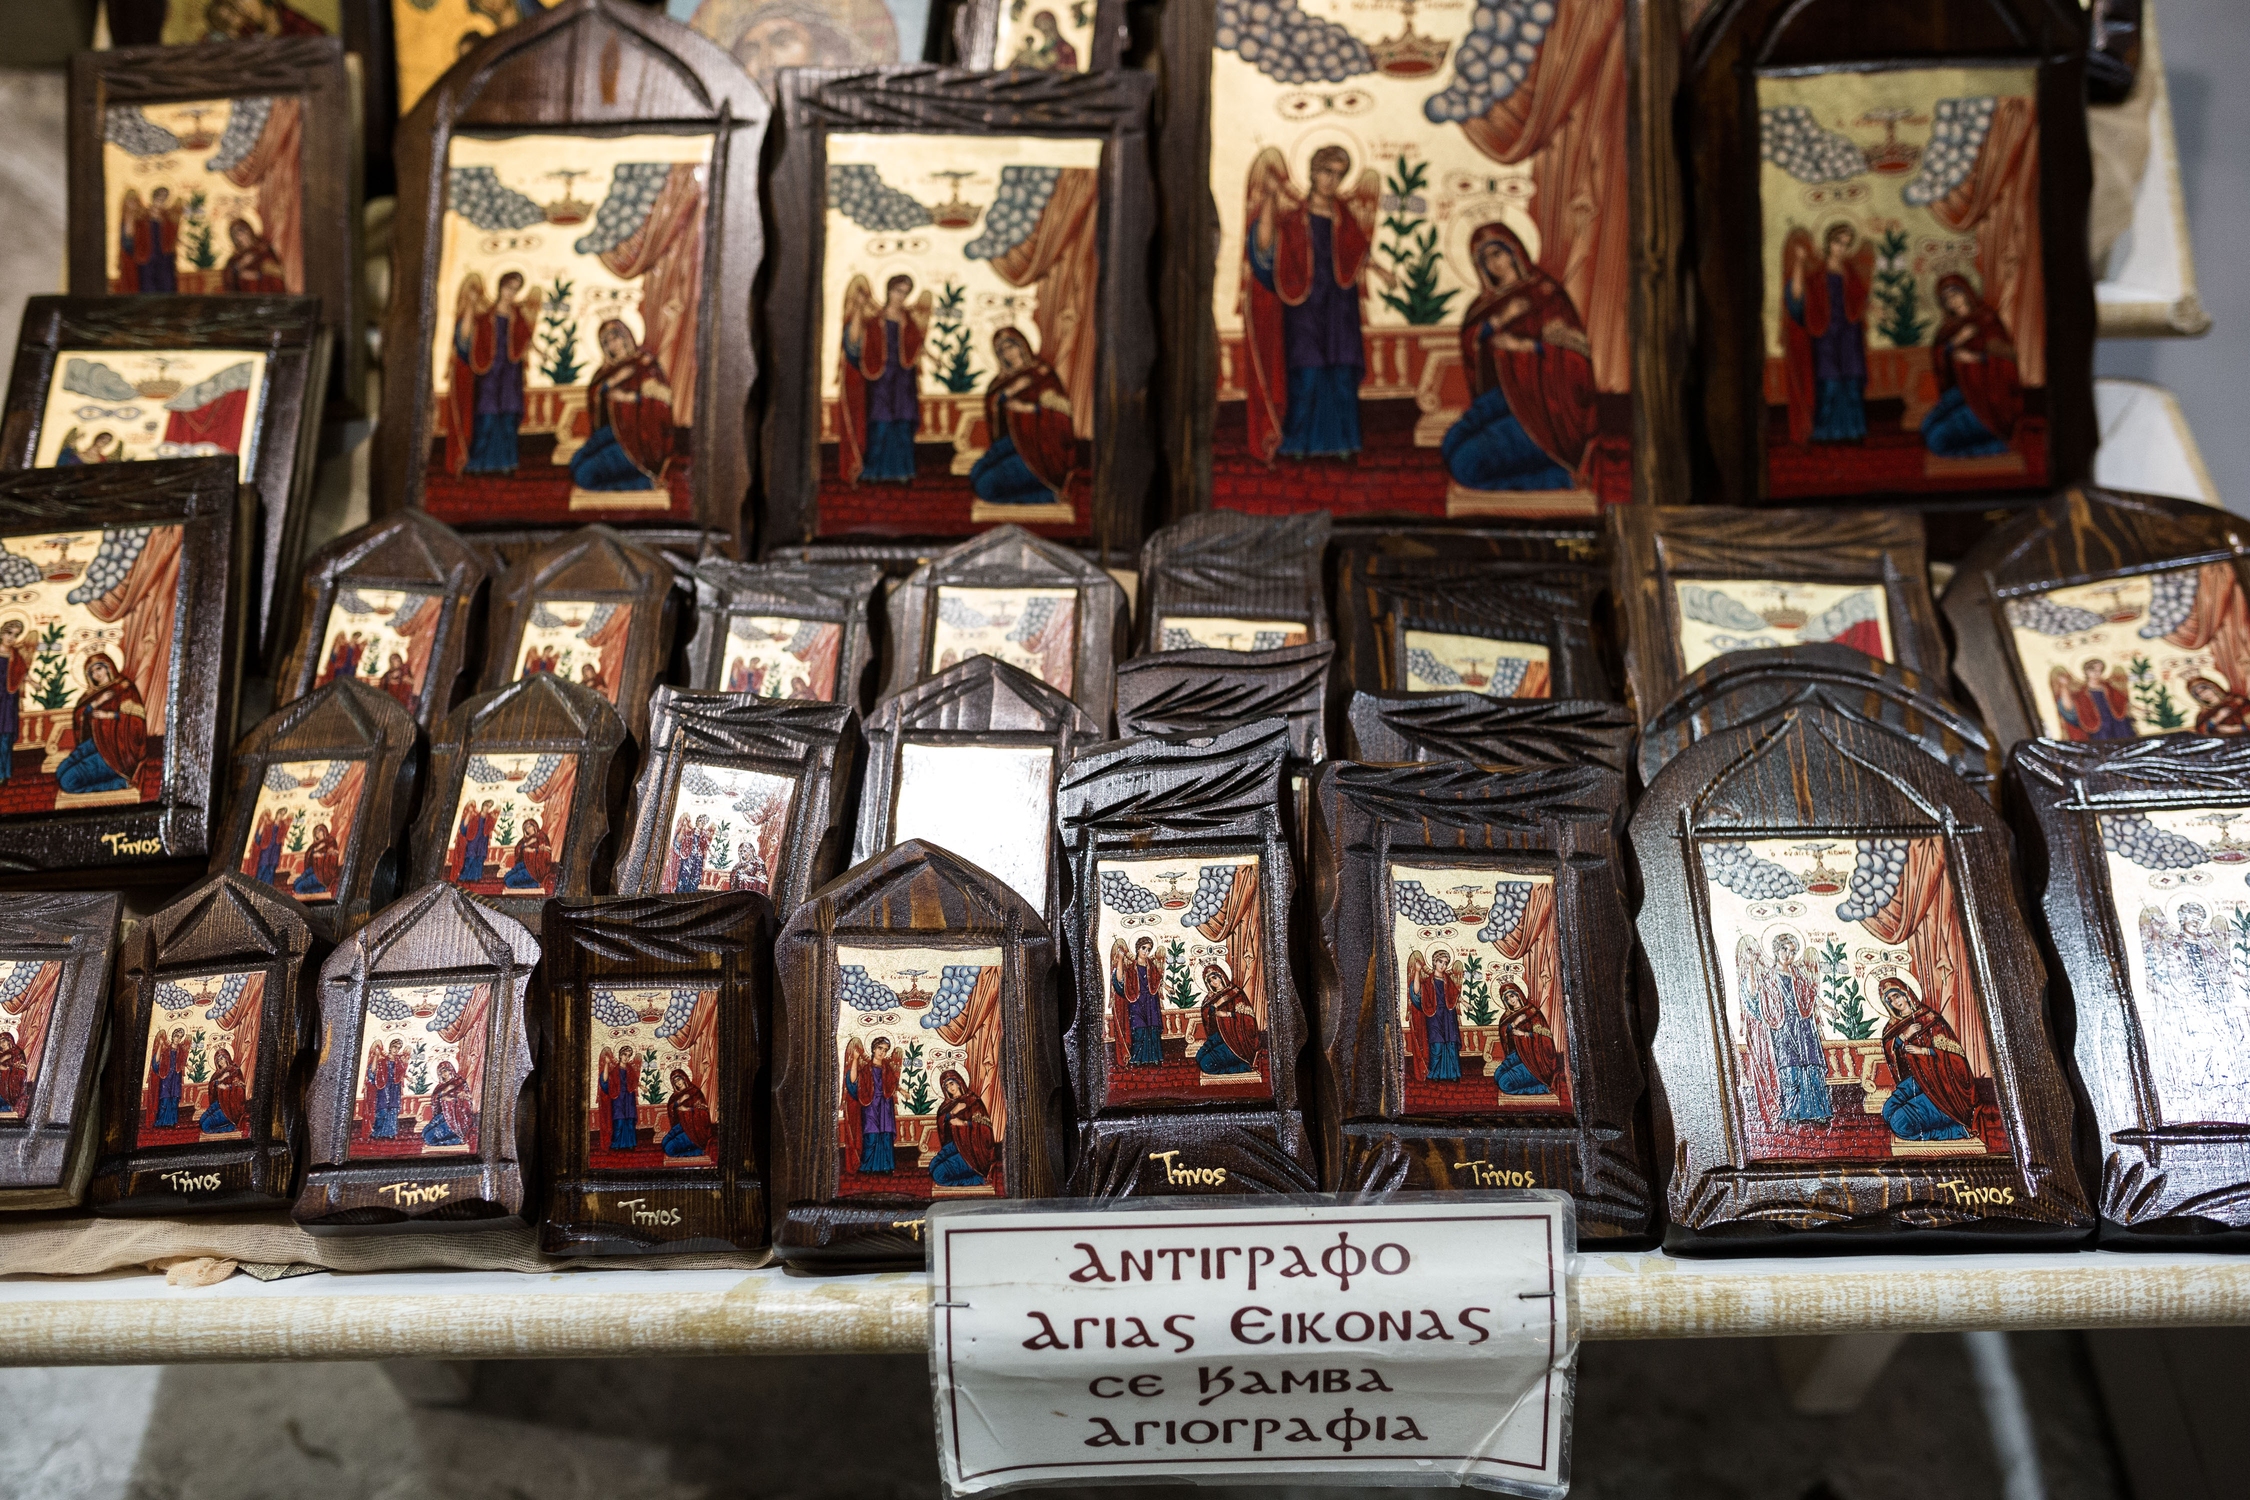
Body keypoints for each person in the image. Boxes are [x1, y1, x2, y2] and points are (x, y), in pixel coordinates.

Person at [1242, 145, 1384, 461]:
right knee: (1306, 375)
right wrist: (1269, 198)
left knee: (1342, 374)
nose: (1332, 180)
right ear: (1313, 172)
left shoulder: (1343, 216)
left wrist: (1381, 270)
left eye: (1339, 175)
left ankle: (1344, 443)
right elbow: (1265, 245)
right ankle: (1296, 444)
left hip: (1339, 306)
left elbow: (1357, 250)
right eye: (1326, 172)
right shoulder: (1294, 219)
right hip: (1303, 306)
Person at [1441, 222, 1596, 492]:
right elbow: (1472, 343)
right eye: (1484, 259)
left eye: (1497, 253)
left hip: (1544, 408)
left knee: (1465, 464)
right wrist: (1499, 320)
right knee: (1449, 443)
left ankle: (1559, 478)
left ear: (1513, 251)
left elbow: (1577, 361)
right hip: (1504, 396)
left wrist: (1525, 346)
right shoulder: (1484, 305)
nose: (1493, 264)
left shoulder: (1547, 295)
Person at [1780, 222, 1872, 444]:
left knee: (1851, 383)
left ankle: (1854, 431)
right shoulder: (1816, 274)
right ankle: (1824, 432)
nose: (1842, 248)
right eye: (1838, 242)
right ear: (1829, 243)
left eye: (1846, 244)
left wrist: (1870, 307)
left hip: (1849, 335)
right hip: (1825, 335)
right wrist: (1800, 262)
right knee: (1829, 384)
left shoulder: (1850, 272)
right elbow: (1797, 297)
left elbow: (1860, 300)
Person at [444, 270, 542, 476]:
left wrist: (539, 351)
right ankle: (478, 463)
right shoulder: (485, 316)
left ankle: (507, 463)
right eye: (508, 288)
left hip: (510, 374)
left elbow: (525, 338)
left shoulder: (517, 315)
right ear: (500, 287)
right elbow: (465, 338)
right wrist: (470, 306)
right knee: (486, 418)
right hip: (488, 373)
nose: (511, 293)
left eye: (515, 289)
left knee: (507, 418)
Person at [837, 274, 931, 484]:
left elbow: (916, 343)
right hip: (880, 379)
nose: (901, 296)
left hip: (903, 380)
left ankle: (903, 471)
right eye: (898, 291)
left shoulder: (908, 319)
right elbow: (856, 344)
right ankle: (873, 471)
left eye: (905, 293)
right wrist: (859, 309)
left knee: (902, 423)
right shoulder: (875, 320)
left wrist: (931, 356)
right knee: (880, 423)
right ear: (889, 291)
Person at [970, 328, 1077, 506]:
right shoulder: (1001, 381)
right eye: (1001, 351)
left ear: (1022, 346)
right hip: (1014, 442)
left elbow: (1063, 416)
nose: (1008, 354)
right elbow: (993, 406)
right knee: (975, 472)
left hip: (1041, 449)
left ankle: (1047, 496)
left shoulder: (1042, 374)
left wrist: (1030, 408)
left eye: (1011, 347)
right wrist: (1007, 393)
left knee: (985, 486)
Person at [1921, 275, 2023, 459]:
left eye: (1955, 294)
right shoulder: (1949, 329)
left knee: (1936, 440)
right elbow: (1940, 358)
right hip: (1963, 392)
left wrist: (1976, 358)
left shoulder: (1986, 320)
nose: (1953, 301)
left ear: (1966, 292)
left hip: (1989, 397)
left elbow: (2007, 358)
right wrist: (1955, 342)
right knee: (1926, 426)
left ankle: (1996, 446)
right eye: (1946, 299)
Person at [570, 320, 675, 492]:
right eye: (606, 342)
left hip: (639, 440)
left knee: (583, 475)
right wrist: (611, 382)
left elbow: (662, 403)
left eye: (615, 338)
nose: (613, 345)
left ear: (625, 337)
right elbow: (596, 394)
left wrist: (629, 397)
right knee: (575, 462)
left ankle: (645, 483)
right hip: (616, 430)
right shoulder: (607, 370)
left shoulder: (645, 365)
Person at [1877, 976, 1977, 1142]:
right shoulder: (1892, 1027)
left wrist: (1923, 1051)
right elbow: (1890, 1050)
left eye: (1896, 996)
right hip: (1917, 1080)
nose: (1895, 1002)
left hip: (1942, 1084)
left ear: (1906, 994)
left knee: (1899, 1123)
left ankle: (1956, 1130)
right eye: (1890, 1000)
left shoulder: (1930, 1019)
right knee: (1888, 1111)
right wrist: (1904, 1035)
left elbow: (1955, 1057)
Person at [1762, 933, 1830, 1125]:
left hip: (1804, 1026)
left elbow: (1811, 996)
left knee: (1812, 1069)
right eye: (1784, 949)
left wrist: (1826, 1007)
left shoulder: (1798, 975)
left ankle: (1818, 1112)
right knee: (1790, 1070)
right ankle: (1792, 1112)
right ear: (1776, 950)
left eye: (1793, 952)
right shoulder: (1769, 978)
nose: (1788, 955)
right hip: (1783, 1028)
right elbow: (1765, 1004)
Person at [56, 653, 147, 795]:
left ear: (108, 667)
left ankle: (119, 783)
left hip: (117, 751)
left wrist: (110, 715)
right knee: (60, 771)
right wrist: (97, 702)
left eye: (99, 668)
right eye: (91, 672)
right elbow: (80, 715)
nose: (96, 674)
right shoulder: (93, 694)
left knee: (67, 782)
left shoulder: (125, 689)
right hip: (96, 742)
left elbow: (137, 722)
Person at [928, 1069, 1000, 1187]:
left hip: (973, 1150)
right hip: (956, 1144)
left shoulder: (973, 1102)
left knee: (938, 1175)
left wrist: (963, 1123)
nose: (950, 1088)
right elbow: (942, 1122)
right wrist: (952, 1112)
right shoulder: (947, 1105)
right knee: (932, 1167)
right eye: (946, 1086)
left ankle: (978, 1179)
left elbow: (986, 1130)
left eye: (951, 1083)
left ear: (959, 1082)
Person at [841, 1035, 900, 1173]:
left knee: (886, 1135)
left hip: (885, 1105)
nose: (882, 1052)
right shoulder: (866, 1069)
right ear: (873, 1049)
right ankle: (867, 1167)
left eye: (885, 1050)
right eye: (880, 1048)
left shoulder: (887, 1068)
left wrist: (902, 1090)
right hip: (870, 1105)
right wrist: (855, 1059)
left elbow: (893, 1084)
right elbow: (853, 1082)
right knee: (871, 1136)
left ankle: (887, 1167)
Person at [1492, 982, 1561, 1096]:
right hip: (1519, 1054)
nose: (1510, 1000)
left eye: (1512, 996)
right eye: (1507, 999)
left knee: (1504, 1083)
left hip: (1535, 1058)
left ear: (1518, 995)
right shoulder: (1508, 1016)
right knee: (1497, 1075)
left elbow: (1544, 1038)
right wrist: (1515, 1023)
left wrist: (1523, 1034)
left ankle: (1542, 1088)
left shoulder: (1532, 1012)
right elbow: (1505, 1031)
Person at [1405, 948, 1463, 1082]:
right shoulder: (1427, 981)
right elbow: (1416, 991)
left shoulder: (1448, 979)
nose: (1443, 965)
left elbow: (1455, 995)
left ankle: (1453, 1074)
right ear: (1434, 962)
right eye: (1440, 962)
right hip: (1434, 1016)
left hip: (1448, 1015)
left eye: (1445, 963)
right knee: (1436, 1045)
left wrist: (1465, 1003)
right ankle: (1434, 1074)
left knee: (1451, 1044)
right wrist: (1417, 971)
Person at [1195, 961, 1260, 1076]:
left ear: (1221, 976)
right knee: (1199, 1057)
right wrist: (1216, 1005)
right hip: (1219, 1036)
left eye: (1214, 978)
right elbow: (1207, 1018)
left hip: (1236, 1040)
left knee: (1206, 1064)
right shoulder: (1210, 998)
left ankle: (1243, 1067)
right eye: (1209, 981)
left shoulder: (1236, 993)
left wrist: (1227, 1014)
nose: (1213, 982)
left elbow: (1249, 1020)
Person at [2052, 658, 2136, 742]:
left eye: (2100, 670)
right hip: (2099, 728)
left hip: (2118, 726)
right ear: (2086, 671)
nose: (2096, 673)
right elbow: (2069, 707)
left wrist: (2137, 709)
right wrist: (2064, 686)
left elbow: (2123, 702)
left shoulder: (2108, 688)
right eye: (2093, 670)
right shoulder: (2082, 694)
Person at [117, 188, 183, 295]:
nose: (161, 199)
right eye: (160, 196)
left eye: (165, 197)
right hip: (146, 256)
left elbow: (173, 229)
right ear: (154, 197)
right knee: (148, 288)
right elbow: (131, 234)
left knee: (166, 286)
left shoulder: (167, 215)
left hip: (164, 256)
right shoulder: (143, 214)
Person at [0, 618, 34, 783]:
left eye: (15, 635)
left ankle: (3, 774)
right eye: (9, 633)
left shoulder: (15, 655)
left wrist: (34, 683)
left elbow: (22, 673)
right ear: (2, 633)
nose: (11, 638)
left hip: (8, 700)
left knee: (6, 736)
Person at [1122, 936, 1164, 1066]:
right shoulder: (1130, 968)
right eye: (1143, 948)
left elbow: (1158, 980)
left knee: (1152, 1028)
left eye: (1148, 949)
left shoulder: (1152, 966)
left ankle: (1155, 1058)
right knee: (1139, 1029)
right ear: (1137, 948)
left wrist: (1168, 988)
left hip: (1151, 1000)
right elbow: (1126, 984)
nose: (1146, 952)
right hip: (1136, 1001)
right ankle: (1137, 1058)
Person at [220, 217, 288, 294]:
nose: (240, 236)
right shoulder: (235, 258)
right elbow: (228, 278)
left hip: (264, 294)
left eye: (242, 231)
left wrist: (256, 275)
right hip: (243, 297)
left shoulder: (263, 249)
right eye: (236, 234)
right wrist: (239, 265)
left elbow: (277, 273)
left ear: (249, 231)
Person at [661, 1067, 716, 1159]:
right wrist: (679, 1101)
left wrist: (687, 1109)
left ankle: (698, 1151)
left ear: (684, 1078)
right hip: (682, 1126)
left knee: (669, 1149)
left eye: (679, 1079)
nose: (678, 1083)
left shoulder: (695, 1092)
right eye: (675, 1082)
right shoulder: (675, 1096)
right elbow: (671, 1108)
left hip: (694, 1130)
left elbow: (704, 1112)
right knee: (664, 1142)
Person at [1006, 9, 1078, 69]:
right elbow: (1012, 68)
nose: (1043, 27)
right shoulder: (1028, 48)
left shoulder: (1065, 49)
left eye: (1046, 23)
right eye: (1039, 23)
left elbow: (1069, 73)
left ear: (1053, 24)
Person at [421, 1059, 469, 1147]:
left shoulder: (460, 1083)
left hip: (456, 1118)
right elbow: (434, 1099)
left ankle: (457, 1140)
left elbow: (467, 1101)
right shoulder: (440, 1086)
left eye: (445, 1071)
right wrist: (443, 1092)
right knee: (424, 1133)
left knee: (429, 1138)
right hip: (443, 1115)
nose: (443, 1074)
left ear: (450, 1070)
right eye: (441, 1072)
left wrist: (452, 1099)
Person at [200, 1045, 245, 1135]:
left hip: (230, 1107)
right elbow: (212, 1086)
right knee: (201, 1120)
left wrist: (227, 1087)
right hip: (220, 1103)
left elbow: (240, 1089)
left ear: (226, 1058)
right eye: (218, 1060)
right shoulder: (217, 1074)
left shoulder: (235, 1071)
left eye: (222, 1058)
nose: (220, 1061)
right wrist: (220, 1079)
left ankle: (230, 1127)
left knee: (205, 1126)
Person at [150, 1027, 188, 1128]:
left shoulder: (181, 1050)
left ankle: (172, 1122)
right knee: (165, 1100)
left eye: (180, 1037)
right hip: (166, 1077)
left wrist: (188, 1066)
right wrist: (160, 1045)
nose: (178, 1039)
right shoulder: (166, 1049)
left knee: (174, 1100)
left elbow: (183, 1061)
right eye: (176, 1036)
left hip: (176, 1078)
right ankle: (160, 1122)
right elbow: (156, 1061)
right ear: (173, 1036)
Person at [503, 815, 551, 891]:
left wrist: (533, 851)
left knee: (509, 881)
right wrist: (526, 845)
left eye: (529, 826)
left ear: (534, 826)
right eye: (525, 828)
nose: (528, 829)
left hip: (536, 867)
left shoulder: (541, 836)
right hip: (526, 863)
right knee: (506, 877)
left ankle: (535, 884)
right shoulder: (525, 839)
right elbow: (518, 849)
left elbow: (546, 853)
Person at [294, 821, 340, 897]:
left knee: (298, 887)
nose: (318, 834)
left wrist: (321, 855)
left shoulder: (330, 841)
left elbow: (333, 856)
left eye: (319, 832)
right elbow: (309, 854)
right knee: (296, 882)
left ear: (324, 831)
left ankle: (322, 889)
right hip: (314, 869)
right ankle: (321, 888)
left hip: (324, 871)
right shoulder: (315, 844)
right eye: (316, 833)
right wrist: (316, 849)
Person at [610, 1045, 643, 1151]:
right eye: (624, 1054)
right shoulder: (614, 1071)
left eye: (628, 1056)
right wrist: (615, 1095)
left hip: (629, 1098)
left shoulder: (630, 1069)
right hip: (619, 1099)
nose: (626, 1058)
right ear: (620, 1055)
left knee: (629, 1121)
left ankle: (630, 1144)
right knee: (619, 1121)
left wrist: (641, 1086)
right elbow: (610, 1084)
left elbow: (635, 1080)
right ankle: (615, 1144)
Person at [451, 800, 492, 884]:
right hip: (473, 839)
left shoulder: (489, 818)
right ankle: (463, 876)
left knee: (480, 858)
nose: (487, 808)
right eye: (486, 805)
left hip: (482, 841)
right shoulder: (475, 816)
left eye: (489, 807)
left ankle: (476, 877)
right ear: (483, 806)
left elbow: (490, 827)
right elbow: (464, 826)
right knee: (470, 857)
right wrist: (469, 813)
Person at [669, 813, 706, 894]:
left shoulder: (703, 836)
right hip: (687, 860)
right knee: (683, 879)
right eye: (700, 820)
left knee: (694, 880)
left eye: (704, 822)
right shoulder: (689, 833)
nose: (702, 823)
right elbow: (679, 845)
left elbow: (704, 848)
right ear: (697, 821)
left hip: (697, 862)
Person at [0, 1030, 26, 1116]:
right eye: (0, 1042)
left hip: (13, 1078)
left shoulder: (16, 1051)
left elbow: (21, 1066)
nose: (2, 1044)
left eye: (4, 1041)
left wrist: (7, 1068)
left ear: (9, 1041)